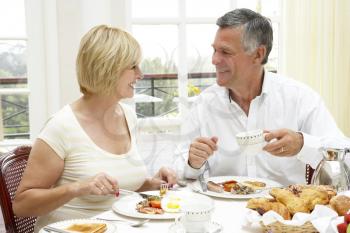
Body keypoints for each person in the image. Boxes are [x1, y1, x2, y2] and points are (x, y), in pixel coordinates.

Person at [13, 25, 177, 232]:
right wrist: (77, 187)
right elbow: (22, 205)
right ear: (108, 67)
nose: (140, 74)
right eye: (133, 66)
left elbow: (119, 185)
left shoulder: (128, 116)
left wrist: (153, 183)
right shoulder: (62, 126)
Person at [174, 8, 349, 186]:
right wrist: (193, 163)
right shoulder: (204, 104)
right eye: (215, 50)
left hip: (284, 211)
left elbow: (346, 155)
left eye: (225, 52)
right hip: (222, 211)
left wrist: (303, 144)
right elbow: (180, 173)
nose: (214, 60)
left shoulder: (299, 98)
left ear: (258, 54)